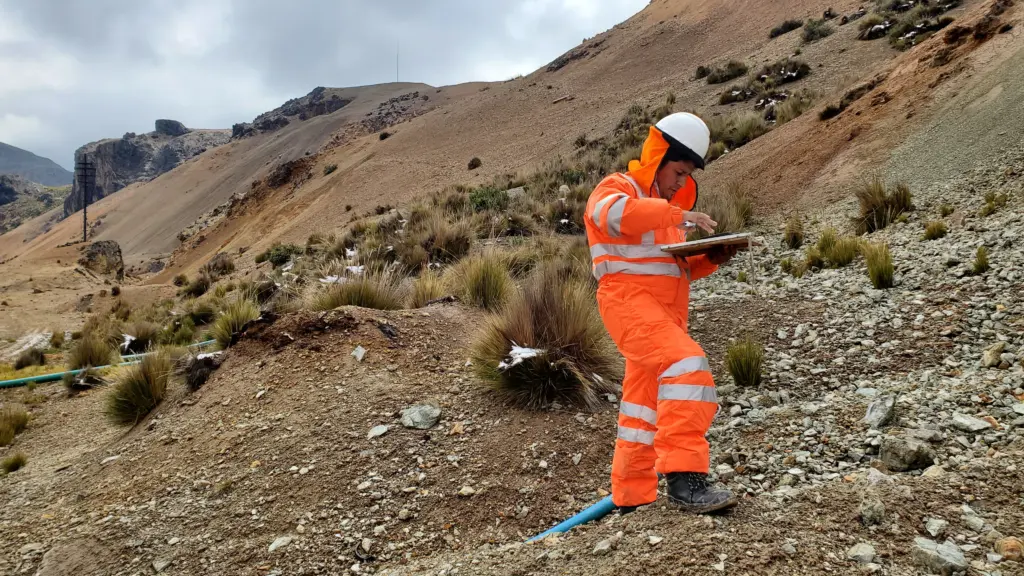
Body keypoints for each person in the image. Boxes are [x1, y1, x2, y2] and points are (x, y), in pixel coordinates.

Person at [584, 112, 739, 514]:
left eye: (688, 176)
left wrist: (712, 258)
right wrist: (679, 215)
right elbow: (614, 216)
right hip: (627, 303)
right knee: (688, 367)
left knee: (642, 405)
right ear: (659, 156)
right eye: (679, 171)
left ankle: (631, 496)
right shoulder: (618, 188)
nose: (682, 183)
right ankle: (686, 481)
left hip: (662, 313)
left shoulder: (667, 213)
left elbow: (675, 268)